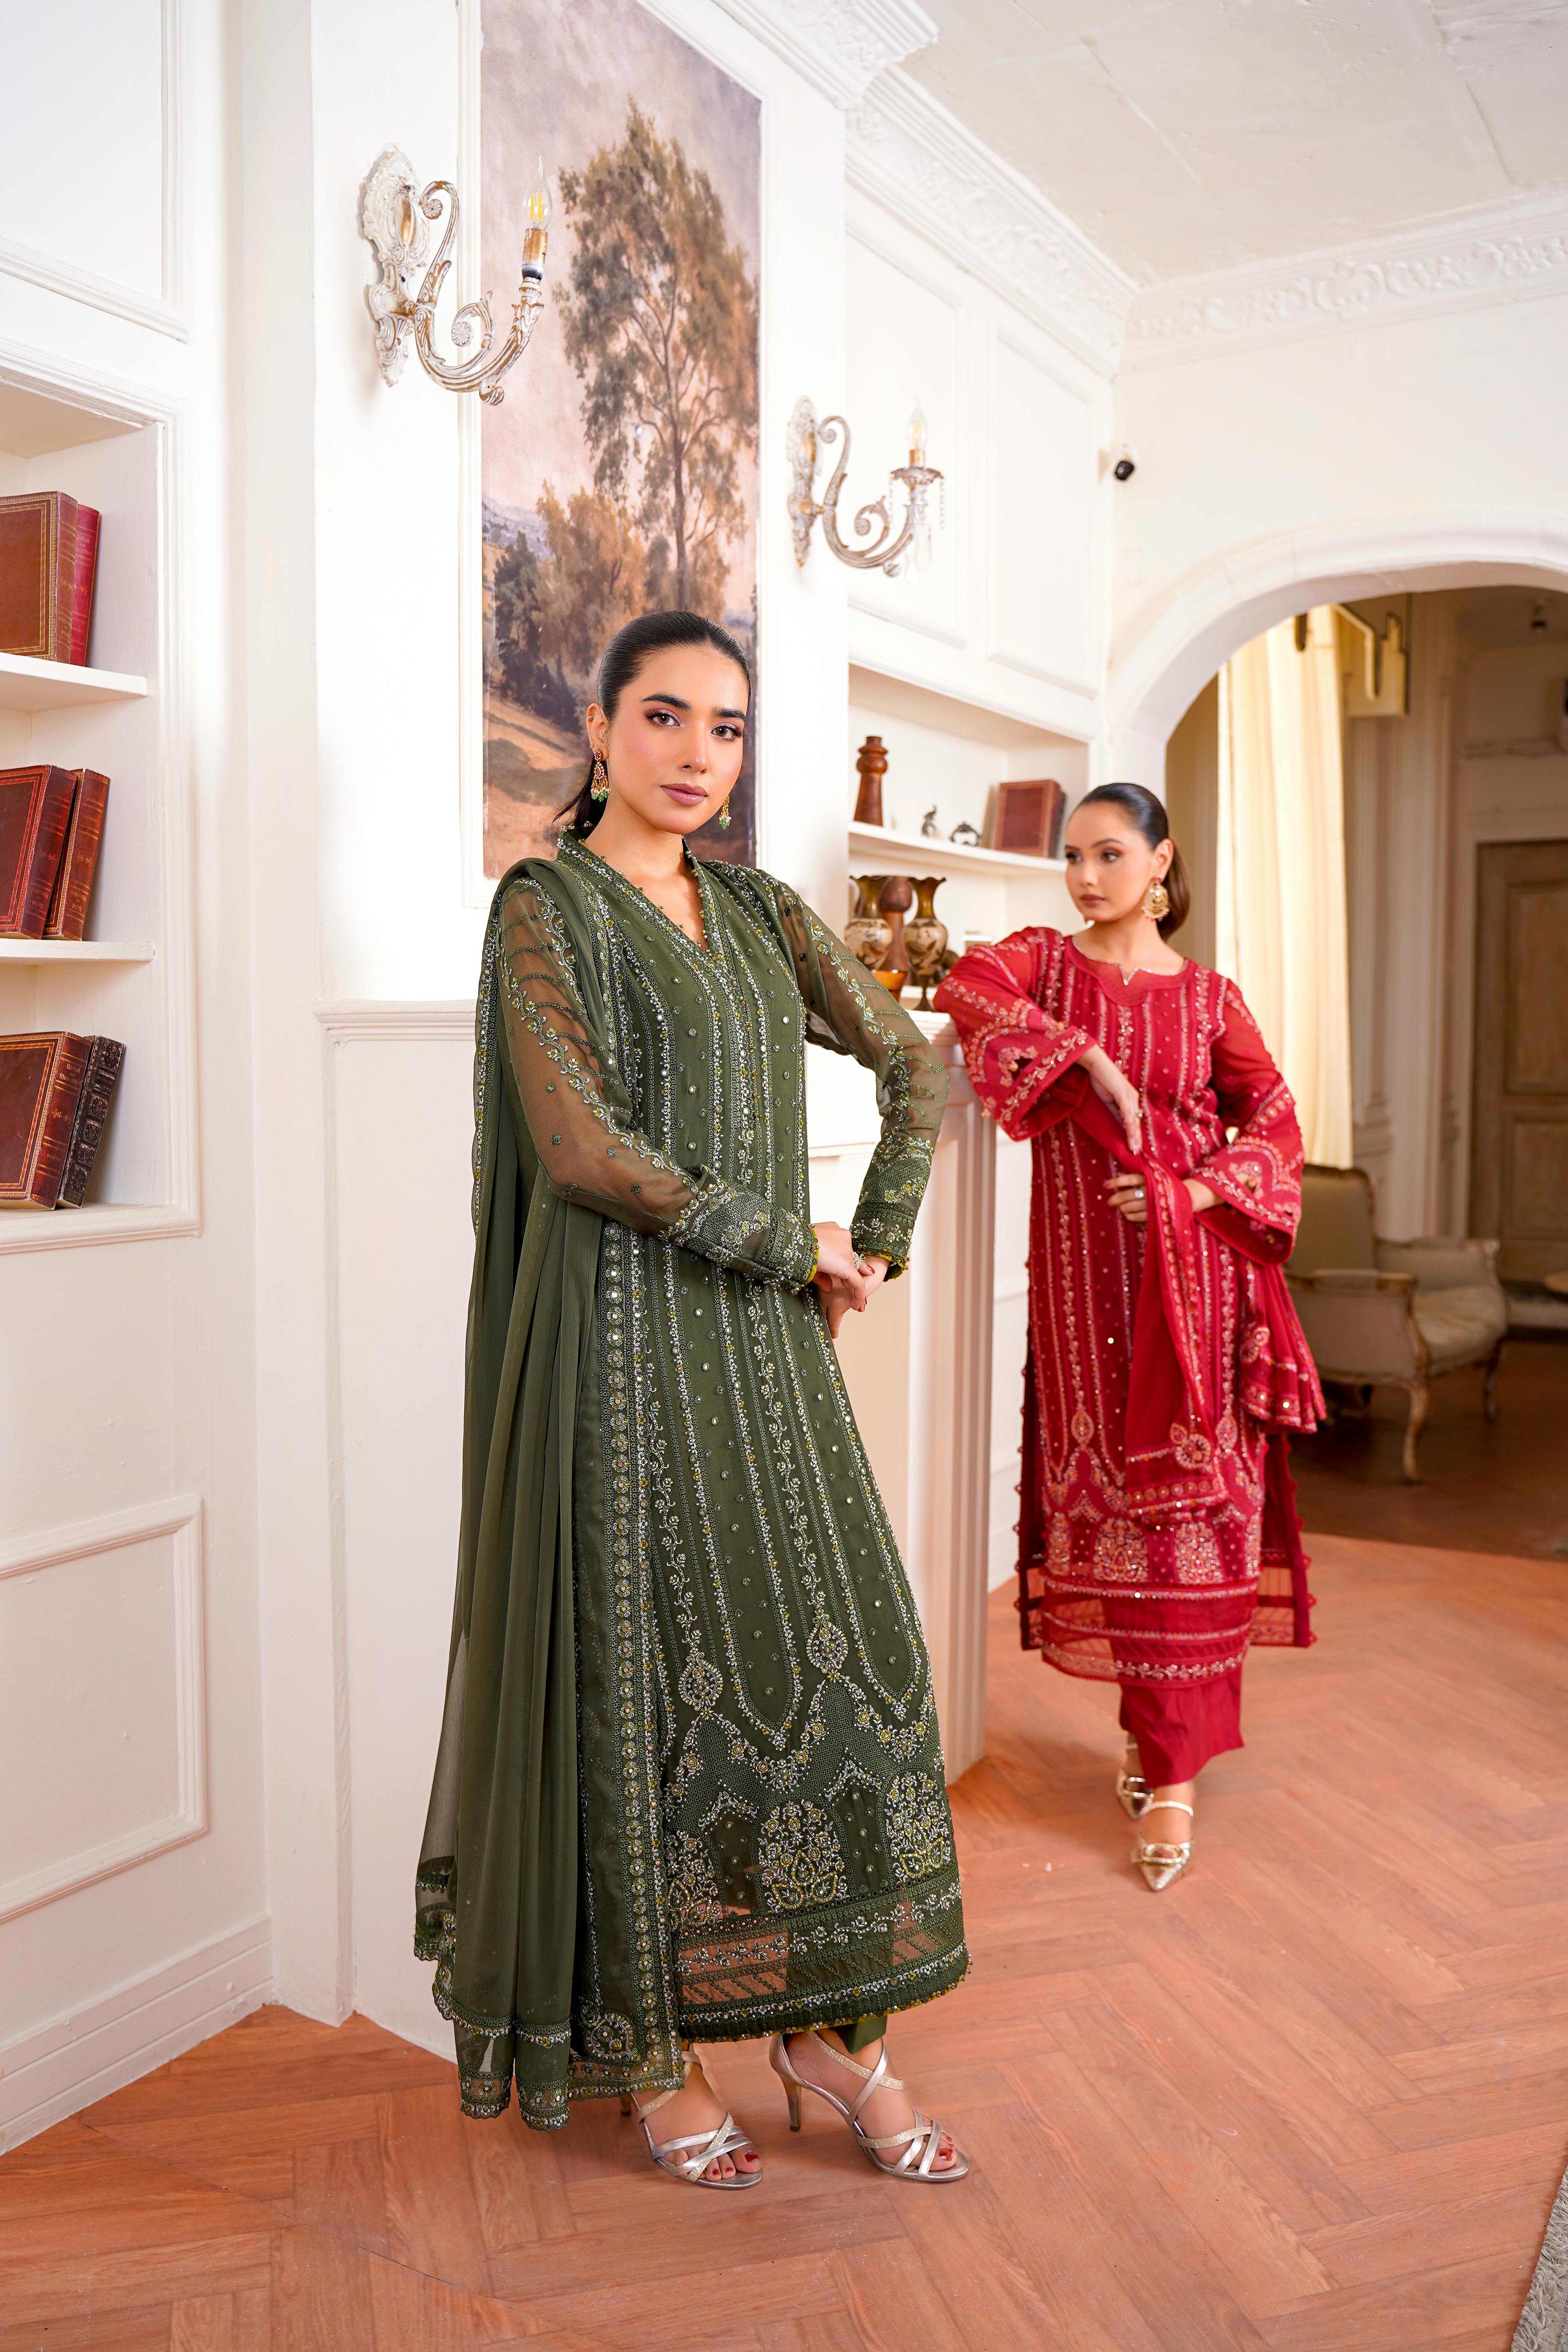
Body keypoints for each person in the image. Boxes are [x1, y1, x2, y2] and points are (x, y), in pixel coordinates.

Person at [416, 610, 969, 2187]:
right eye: (665, 717)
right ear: (599, 727)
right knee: (654, 1696)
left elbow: (910, 1065)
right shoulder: (545, 906)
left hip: (771, 1344)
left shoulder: (758, 909)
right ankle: (655, 2054)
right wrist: (774, 1235)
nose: (697, 754)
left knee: (846, 1668)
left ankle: (834, 2035)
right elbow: (577, 1145)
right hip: (619, 1346)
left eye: (725, 728)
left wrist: (873, 1242)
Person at [934, 783, 1323, 1893]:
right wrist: (1088, 1060)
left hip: (1198, 1295)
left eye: (1110, 854)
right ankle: (1147, 1742)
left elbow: (1278, 1119)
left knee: (1194, 1517)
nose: (1087, 877)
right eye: (1072, 857)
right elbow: (966, 987)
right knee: (1118, 1517)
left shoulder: (1209, 1001)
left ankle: (1172, 1774)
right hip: (1082, 1302)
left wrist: (1196, 1195)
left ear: (1161, 863)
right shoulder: (1044, 968)